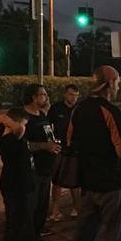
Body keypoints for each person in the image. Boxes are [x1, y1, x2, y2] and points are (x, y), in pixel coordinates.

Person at [69, 65, 121, 241]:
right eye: (116, 82)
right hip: (111, 186)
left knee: (84, 238)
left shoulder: (78, 110)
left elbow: (69, 143)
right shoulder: (110, 111)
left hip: (87, 184)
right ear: (107, 84)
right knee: (115, 238)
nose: (118, 87)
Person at [0, 109, 38, 241]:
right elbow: (19, 129)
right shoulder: (11, 136)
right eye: (24, 123)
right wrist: (6, 119)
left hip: (16, 184)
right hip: (17, 186)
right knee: (16, 228)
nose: (25, 127)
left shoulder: (8, 136)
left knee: (14, 227)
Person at [22, 84, 61, 241]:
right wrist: (45, 146)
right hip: (32, 171)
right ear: (33, 97)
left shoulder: (42, 116)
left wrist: (53, 145)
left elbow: (48, 136)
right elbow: (23, 145)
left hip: (46, 169)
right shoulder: (23, 118)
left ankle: (37, 240)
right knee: (30, 209)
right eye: (42, 94)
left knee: (41, 209)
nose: (45, 97)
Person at [48, 84, 81, 221]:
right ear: (65, 94)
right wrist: (51, 142)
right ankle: (55, 210)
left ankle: (76, 207)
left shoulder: (80, 109)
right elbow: (48, 126)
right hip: (60, 148)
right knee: (57, 180)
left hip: (76, 148)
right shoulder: (56, 108)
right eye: (71, 94)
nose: (73, 97)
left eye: (76, 95)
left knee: (75, 180)